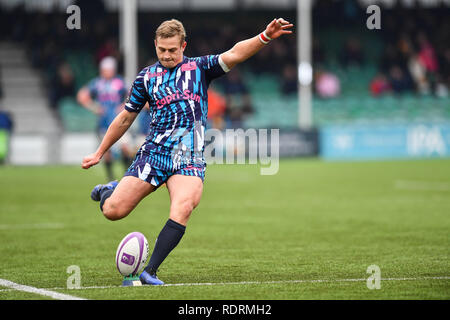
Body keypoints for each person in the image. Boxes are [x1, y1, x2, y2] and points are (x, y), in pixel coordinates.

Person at [81, 18, 293, 286]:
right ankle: (110, 190)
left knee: (183, 207)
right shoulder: (145, 77)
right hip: (153, 154)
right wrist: (100, 152)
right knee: (113, 211)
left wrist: (265, 36)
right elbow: (125, 118)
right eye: (162, 50)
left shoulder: (200, 68)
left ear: (183, 45)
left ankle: (150, 272)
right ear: (155, 46)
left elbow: (235, 53)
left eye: (172, 50)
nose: (167, 55)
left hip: (188, 158)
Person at [77, 56, 132, 181]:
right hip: (103, 123)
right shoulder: (97, 83)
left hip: (120, 123)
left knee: (125, 148)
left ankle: (127, 175)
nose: (108, 71)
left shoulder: (120, 82)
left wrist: (124, 106)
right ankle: (110, 178)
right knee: (107, 153)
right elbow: (82, 96)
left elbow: (132, 95)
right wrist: (94, 107)